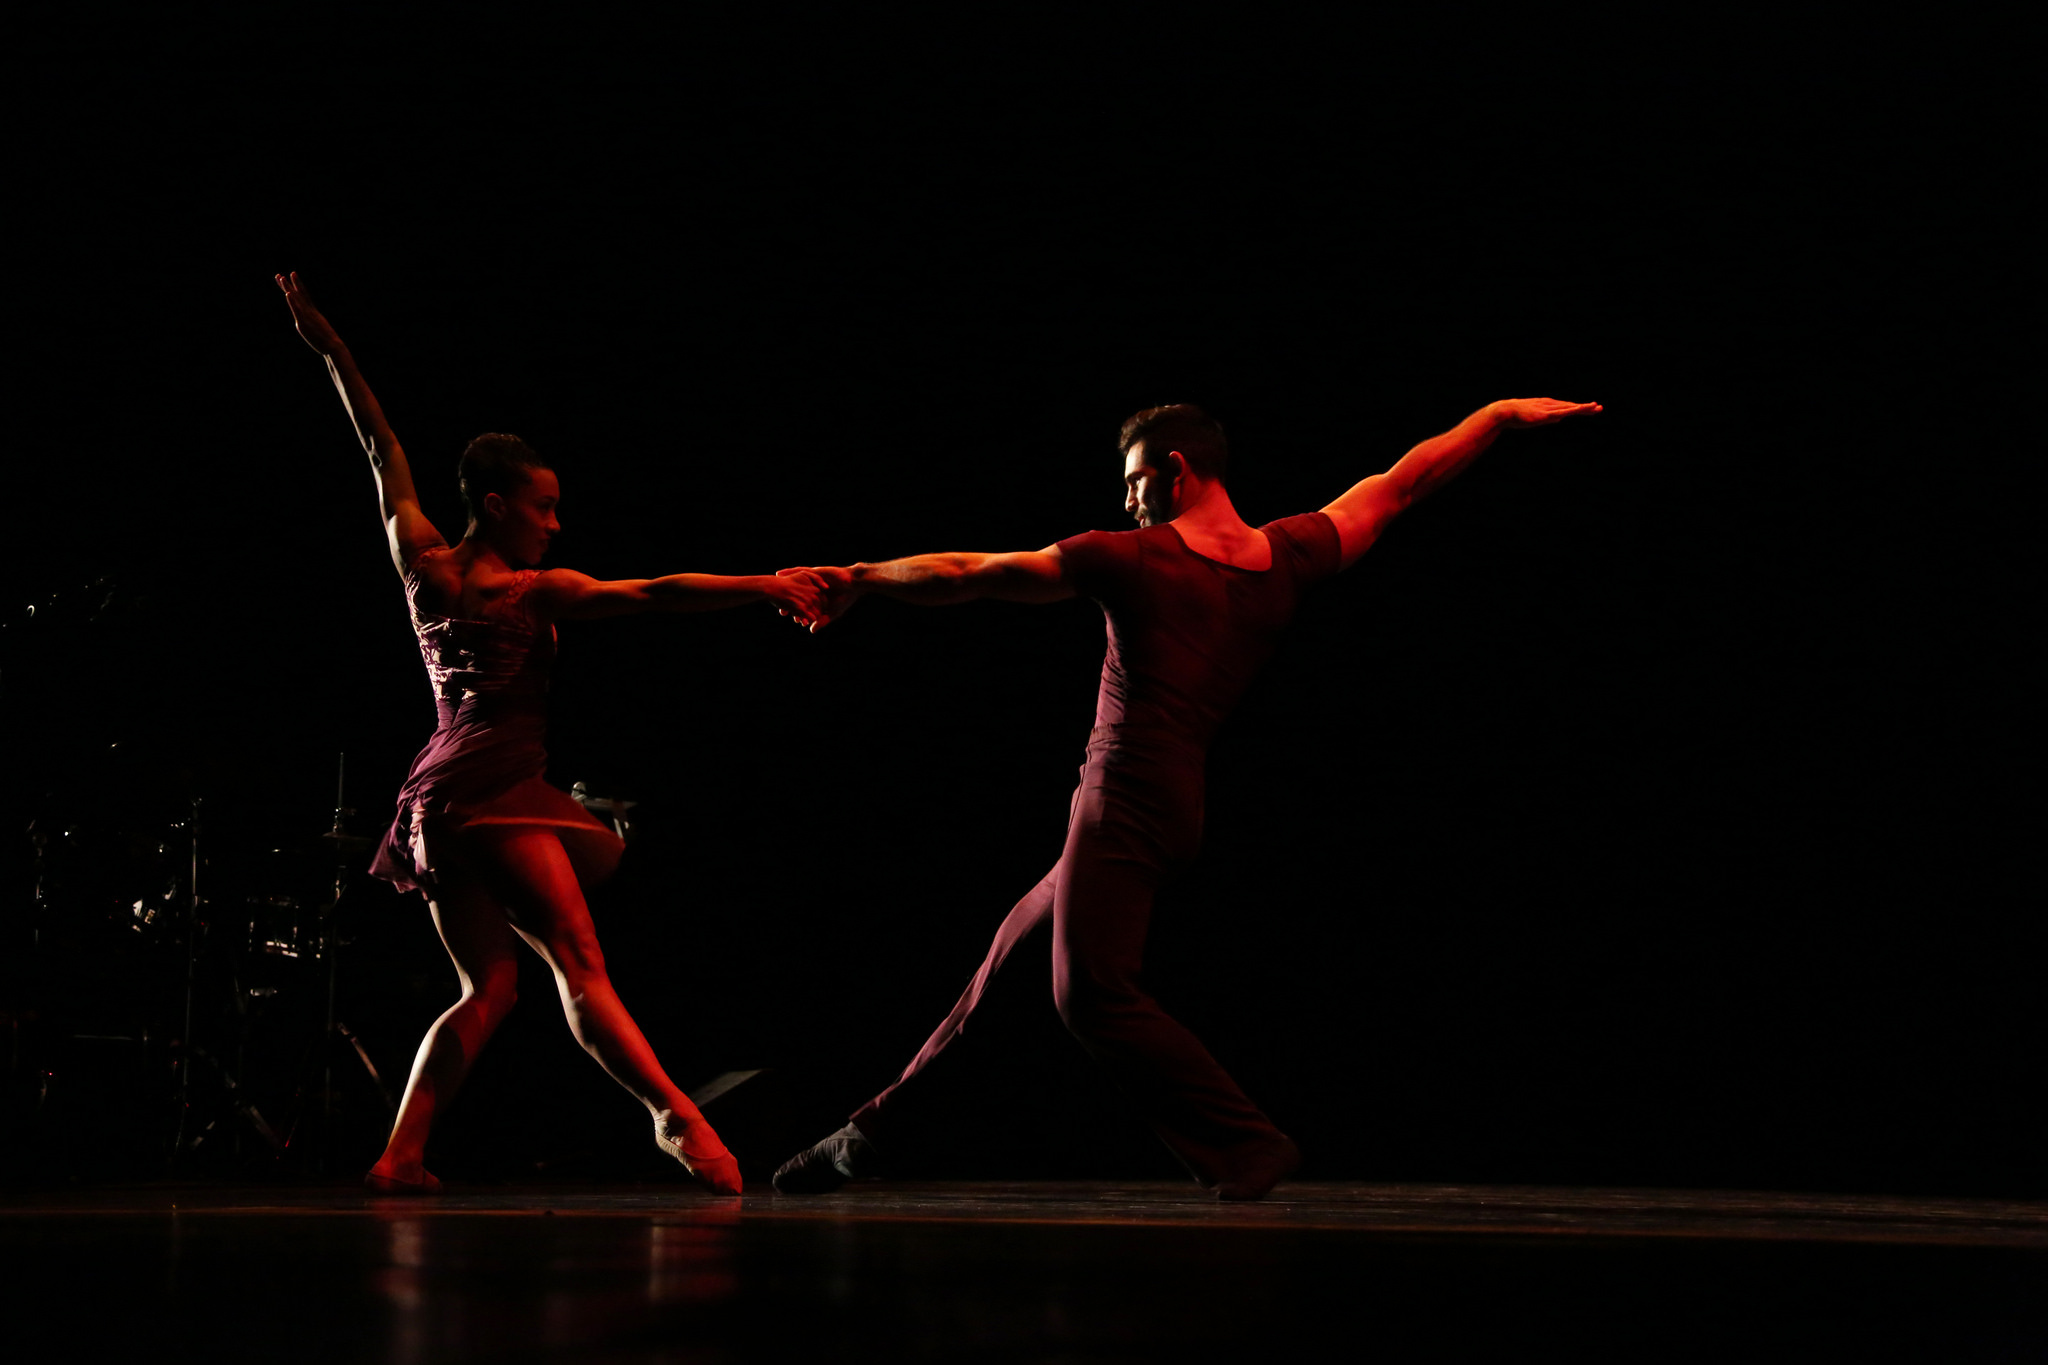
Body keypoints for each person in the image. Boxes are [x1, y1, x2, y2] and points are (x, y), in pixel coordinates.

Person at [771, 396, 1600, 1200]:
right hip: (1174, 805)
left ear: (1176, 469)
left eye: (1134, 479)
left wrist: (862, 578)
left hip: (1122, 798)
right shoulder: (1291, 553)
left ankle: (1246, 1140)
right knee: (1009, 957)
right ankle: (865, 1138)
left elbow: (972, 574)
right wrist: (1492, 418)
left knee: (1089, 991)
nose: (1126, 499)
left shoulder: (1133, 559)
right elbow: (1403, 481)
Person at [276, 272, 824, 1195]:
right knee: (580, 960)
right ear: (495, 504)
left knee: (489, 989)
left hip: (430, 803)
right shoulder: (533, 591)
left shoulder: (419, 560)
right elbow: (657, 593)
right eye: (544, 506)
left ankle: (401, 1155)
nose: (555, 523)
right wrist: (766, 586)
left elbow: (380, 444)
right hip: (489, 795)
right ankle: (674, 1118)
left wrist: (329, 349)